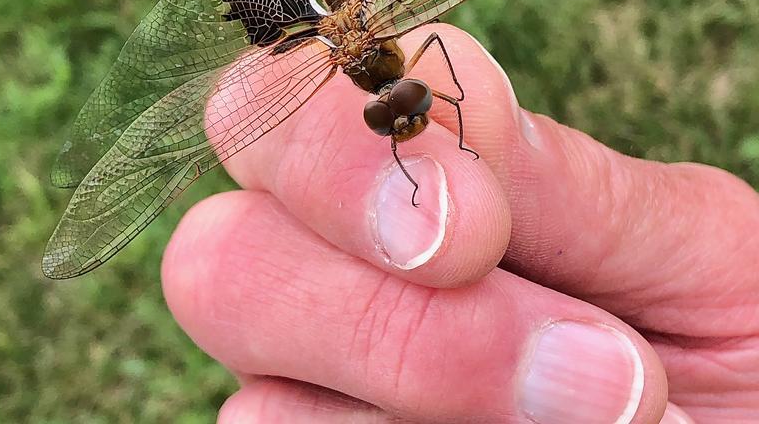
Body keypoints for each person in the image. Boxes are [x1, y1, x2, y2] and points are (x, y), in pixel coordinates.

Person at [162, 24, 759, 423]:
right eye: (390, 118)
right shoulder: (356, 75)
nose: (405, 121)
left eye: (409, 106)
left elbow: (443, 54)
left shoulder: (414, 73)